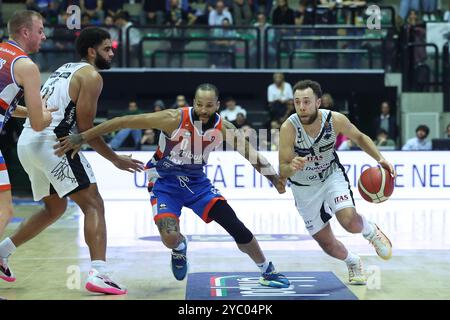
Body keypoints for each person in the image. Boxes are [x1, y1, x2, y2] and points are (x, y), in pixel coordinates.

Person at [56, 83, 291, 288]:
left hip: (198, 184)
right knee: (169, 236)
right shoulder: (172, 119)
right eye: (200, 104)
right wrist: (83, 136)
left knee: (235, 225)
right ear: (194, 102)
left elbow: (250, 154)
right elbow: (124, 120)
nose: (204, 110)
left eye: (209, 105)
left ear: (217, 105)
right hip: (164, 183)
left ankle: (267, 270)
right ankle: (179, 248)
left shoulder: (224, 128)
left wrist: (273, 179)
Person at [0, 27, 143, 294]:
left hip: (28, 143)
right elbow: (86, 127)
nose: (112, 53)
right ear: (91, 51)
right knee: (93, 203)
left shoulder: (64, 68)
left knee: (54, 209)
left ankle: (2, 252)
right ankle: (100, 273)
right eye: (107, 49)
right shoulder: (91, 75)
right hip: (54, 143)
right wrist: (115, 159)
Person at [278, 80, 394, 285]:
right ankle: (352, 261)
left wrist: (380, 158)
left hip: (331, 176)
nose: (301, 107)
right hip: (304, 189)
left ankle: (370, 231)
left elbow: (358, 137)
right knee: (326, 244)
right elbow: (282, 170)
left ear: (318, 102)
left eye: (306, 101)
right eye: (297, 102)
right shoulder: (289, 127)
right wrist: (291, 166)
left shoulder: (334, 120)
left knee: (349, 221)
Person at [0, 10, 55, 282]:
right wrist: (47, 112)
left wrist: (34, 111)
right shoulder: (27, 66)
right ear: (25, 32)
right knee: (4, 211)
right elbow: (37, 123)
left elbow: (7, 105)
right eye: (40, 30)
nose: (43, 36)